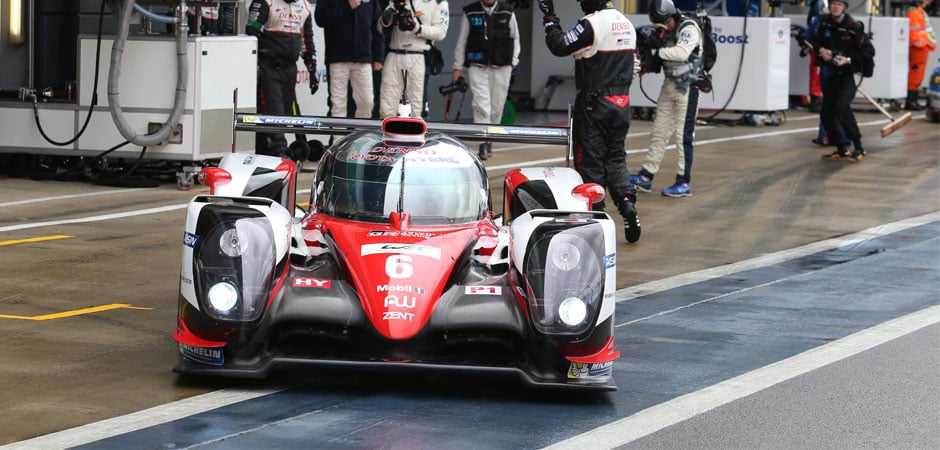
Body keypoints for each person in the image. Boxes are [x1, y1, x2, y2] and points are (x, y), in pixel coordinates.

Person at [536, 0, 641, 243]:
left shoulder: (593, 23)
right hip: (622, 102)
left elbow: (559, 45)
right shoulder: (626, 23)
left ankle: (597, 221)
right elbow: (635, 64)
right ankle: (626, 202)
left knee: (589, 163)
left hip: (595, 104)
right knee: (615, 159)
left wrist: (550, 17)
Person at [628, 0, 701, 198]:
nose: (664, 27)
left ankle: (683, 182)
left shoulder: (689, 28)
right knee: (659, 131)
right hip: (669, 85)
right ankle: (646, 177)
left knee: (682, 136)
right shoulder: (664, 31)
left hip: (688, 87)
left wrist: (655, 52)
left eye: (665, 22)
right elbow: (660, 60)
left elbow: (682, 52)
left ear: (672, 16)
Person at [246, 0, 318, 157]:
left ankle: (267, 150)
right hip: (268, 66)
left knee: (284, 112)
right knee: (274, 110)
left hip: (290, 68)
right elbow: (251, 31)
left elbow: (308, 39)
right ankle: (279, 151)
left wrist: (312, 69)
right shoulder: (265, 2)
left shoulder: (304, 5)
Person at [452, 0, 521, 159]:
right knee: (482, 105)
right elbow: (462, 41)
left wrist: (513, 62)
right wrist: (457, 67)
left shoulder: (507, 11)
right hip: (478, 65)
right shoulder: (470, 11)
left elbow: (515, 38)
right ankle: (483, 142)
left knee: (497, 107)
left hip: (502, 65)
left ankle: (490, 139)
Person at [813, 0, 868, 162]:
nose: (836, 7)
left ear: (844, 7)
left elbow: (868, 52)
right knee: (826, 114)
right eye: (833, 3)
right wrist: (821, 50)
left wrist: (849, 59)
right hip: (832, 74)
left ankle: (859, 147)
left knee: (842, 107)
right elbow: (817, 42)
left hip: (847, 75)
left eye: (839, 4)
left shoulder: (853, 26)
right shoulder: (824, 23)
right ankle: (841, 148)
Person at [377, 0, 450, 118]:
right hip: (394, 54)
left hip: (418, 56)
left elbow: (441, 32)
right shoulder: (396, 1)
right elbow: (380, 27)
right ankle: (388, 135)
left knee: (416, 111)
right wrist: (387, 19)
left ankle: (417, 136)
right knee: (386, 109)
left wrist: (416, 28)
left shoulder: (438, 2)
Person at [315, 0, 385, 119]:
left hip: (363, 58)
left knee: (367, 102)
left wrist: (378, 56)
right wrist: (347, 6)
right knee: (338, 105)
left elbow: (377, 26)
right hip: (338, 58)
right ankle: (338, 138)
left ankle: (361, 136)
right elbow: (320, 19)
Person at [905, 0, 937, 111]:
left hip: (921, 48)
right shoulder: (915, 13)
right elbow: (914, 35)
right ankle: (911, 101)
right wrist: (921, 44)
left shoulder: (918, 12)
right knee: (915, 75)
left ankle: (913, 100)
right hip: (918, 49)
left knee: (917, 75)